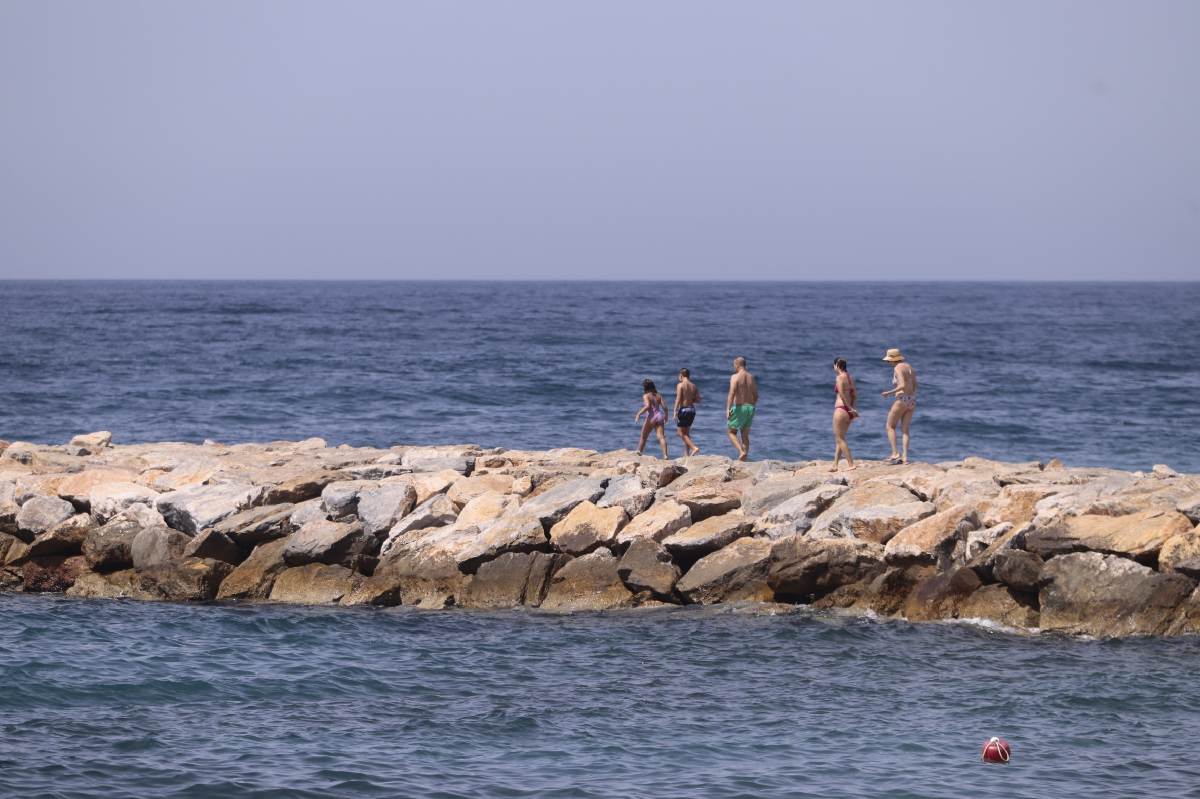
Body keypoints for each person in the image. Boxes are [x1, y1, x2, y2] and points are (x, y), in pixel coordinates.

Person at [880, 348, 918, 464]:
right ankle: (905, 458)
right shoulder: (909, 367)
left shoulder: (897, 368)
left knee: (890, 426)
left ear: (893, 360)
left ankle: (895, 453)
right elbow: (915, 385)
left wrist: (888, 393)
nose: (888, 363)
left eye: (888, 361)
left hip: (901, 399)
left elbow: (901, 385)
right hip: (912, 400)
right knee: (905, 430)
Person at [725, 356, 758, 461]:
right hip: (750, 408)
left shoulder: (735, 377)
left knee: (731, 432)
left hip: (740, 407)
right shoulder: (751, 377)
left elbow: (732, 393)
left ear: (737, 365)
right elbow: (756, 395)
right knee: (744, 434)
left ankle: (741, 451)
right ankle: (744, 458)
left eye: (734, 365)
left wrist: (728, 409)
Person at [831, 358, 858, 472]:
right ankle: (835, 465)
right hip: (848, 412)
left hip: (841, 409)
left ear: (837, 365)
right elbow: (854, 395)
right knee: (840, 438)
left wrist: (849, 408)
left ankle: (851, 464)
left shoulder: (839, 377)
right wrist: (852, 410)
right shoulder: (849, 377)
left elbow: (841, 395)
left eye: (834, 365)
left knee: (839, 438)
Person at [634, 378, 669, 458]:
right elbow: (665, 407)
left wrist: (638, 414)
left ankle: (639, 452)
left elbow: (648, 406)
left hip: (651, 417)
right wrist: (666, 416)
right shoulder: (659, 395)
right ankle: (665, 455)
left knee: (643, 436)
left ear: (645, 387)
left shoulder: (646, 396)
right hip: (659, 416)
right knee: (661, 437)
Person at [673, 368, 701, 456]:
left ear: (681, 375)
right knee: (686, 433)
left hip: (684, 410)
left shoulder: (680, 385)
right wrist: (689, 400)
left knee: (680, 433)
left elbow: (678, 398)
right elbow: (698, 400)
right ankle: (687, 454)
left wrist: (675, 410)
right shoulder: (693, 386)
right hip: (692, 410)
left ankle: (694, 448)